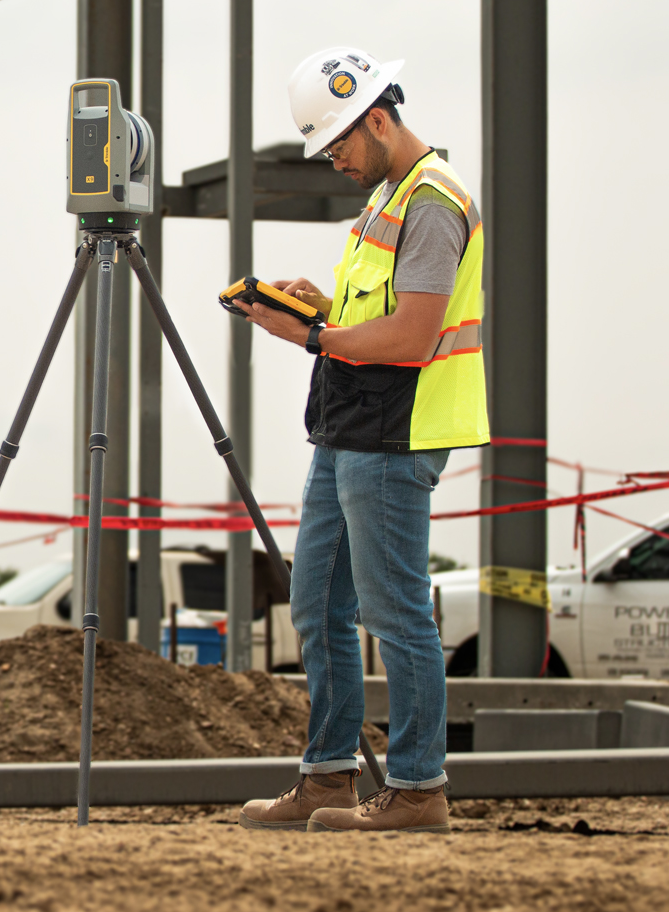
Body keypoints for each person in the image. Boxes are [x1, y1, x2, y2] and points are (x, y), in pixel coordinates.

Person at [237, 47, 489, 834]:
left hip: (395, 434)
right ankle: (327, 778)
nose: (334, 159)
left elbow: (413, 338)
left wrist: (308, 335)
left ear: (378, 117)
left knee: (396, 612)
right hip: (348, 429)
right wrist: (322, 304)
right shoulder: (386, 200)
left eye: (339, 142)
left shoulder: (433, 203)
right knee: (315, 606)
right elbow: (370, 317)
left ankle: (418, 790)